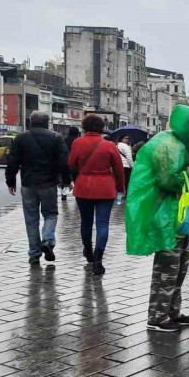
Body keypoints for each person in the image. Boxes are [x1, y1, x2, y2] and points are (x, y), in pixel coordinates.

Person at [126, 104, 189, 332]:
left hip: (176, 216)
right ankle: (157, 317)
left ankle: (172, 311)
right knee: (167, 267)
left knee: (179, 265)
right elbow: (169, 180)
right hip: (164, 215)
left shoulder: (181, 144)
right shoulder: (168, 145)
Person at [6, 111, 71, 266]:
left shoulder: (20, 138)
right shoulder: (56, 138)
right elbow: (63, 162)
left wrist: (10, 181)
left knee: (31, 220)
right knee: (51, 215)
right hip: (48, 183)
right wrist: (66, 181)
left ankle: (34, 254)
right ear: (47, 122)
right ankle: (48, 241)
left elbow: (12, 161)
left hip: (28, 183)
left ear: (31, 122)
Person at [69, 115, 125, 275]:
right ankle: (98, 261)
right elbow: (119, 169)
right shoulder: (109, 145)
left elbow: (71, 163)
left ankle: (88, 251)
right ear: (101, 127)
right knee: (103, 224)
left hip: (83, 187)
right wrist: (120, 188)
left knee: (86, 222)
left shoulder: (77, 143)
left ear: (84, 127)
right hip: (105, 188)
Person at [61, 127, 81, 201]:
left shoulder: (63, 140)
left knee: (65, 181)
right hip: (76, 164)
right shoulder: (78, 141)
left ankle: (64, 195)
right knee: (77, 180)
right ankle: (77, 196)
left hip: (65, 163)